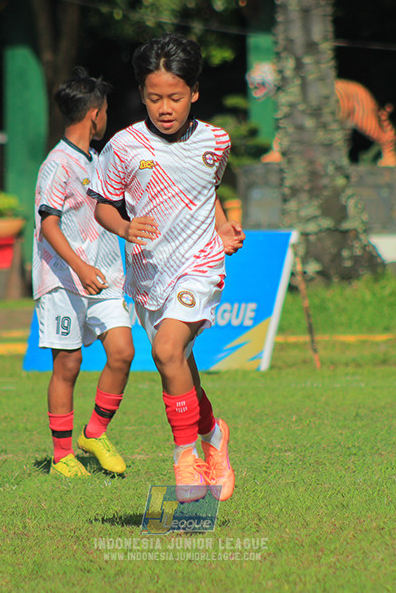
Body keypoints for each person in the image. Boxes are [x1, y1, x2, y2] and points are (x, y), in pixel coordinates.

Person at [90, 33, 245, 503]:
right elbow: (102, 206)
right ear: (142, 94)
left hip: (200, 265)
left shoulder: (216, 142)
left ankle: (185, 460)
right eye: (154, 97)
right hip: (148, 275)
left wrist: (221, 230)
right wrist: (124, 227)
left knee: (164, 350)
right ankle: (214, 434)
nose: (165, 107)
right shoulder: (122, 145)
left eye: (175, 97)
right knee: (180, 366)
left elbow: (206, 193)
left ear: (194, 92)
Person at [33, 67, 135, 478]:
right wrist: (79, 265)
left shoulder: (97, 160)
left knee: (123, 352)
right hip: (63, 279)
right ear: (94, 113)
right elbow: (48, 223)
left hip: (105, 278)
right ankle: (61, 458)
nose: (106, 116)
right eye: (106, 109)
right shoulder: (57, 164)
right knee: (68, 366)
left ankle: (94, 432)